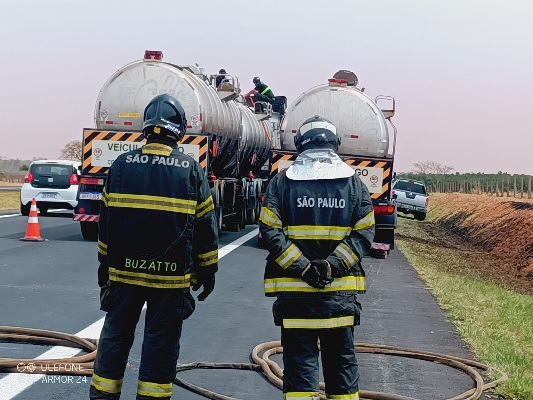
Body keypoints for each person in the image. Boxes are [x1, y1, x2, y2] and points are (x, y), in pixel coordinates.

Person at [90, 94, 219, 400]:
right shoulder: (190, 169)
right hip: (171, 281)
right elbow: (205, 227)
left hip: (123, 276)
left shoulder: (120, 166)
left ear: (146, 128)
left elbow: (105, 225)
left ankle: (102, 396)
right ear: (179, 130)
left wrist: (104, 267)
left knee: (115, 338)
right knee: (160, 344)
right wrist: (208, 270)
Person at [259, 115, 375, 400]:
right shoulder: (354, 185)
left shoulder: (281, 183)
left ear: (300, 145)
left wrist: (305, 269)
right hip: (339, 298)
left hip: (296, 297)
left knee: (299, 367)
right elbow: (365, 233)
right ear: (336, 144)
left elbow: (270, 230)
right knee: (342, 366)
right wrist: (331, 267)